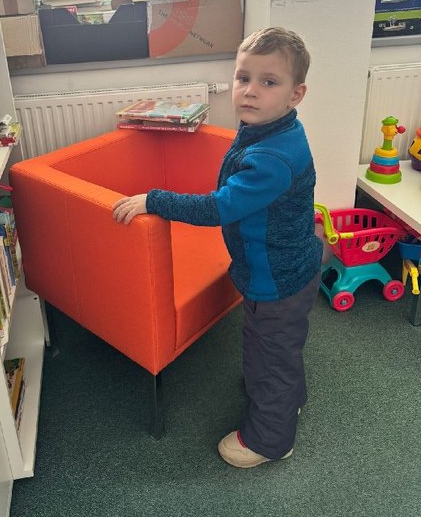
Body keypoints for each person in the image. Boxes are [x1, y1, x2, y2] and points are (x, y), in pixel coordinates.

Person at [113, 27, 323, 469]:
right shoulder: (270, 130)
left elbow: (219, 208)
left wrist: (155, 200)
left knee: (272, 355)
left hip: (277, 280)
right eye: (243, 77)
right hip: (281, 269)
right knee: (274, 349)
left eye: (269, 82)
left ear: (296, 94)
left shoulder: (272, 158)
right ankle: (288, 398)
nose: (250, 91)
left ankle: (270, 440)